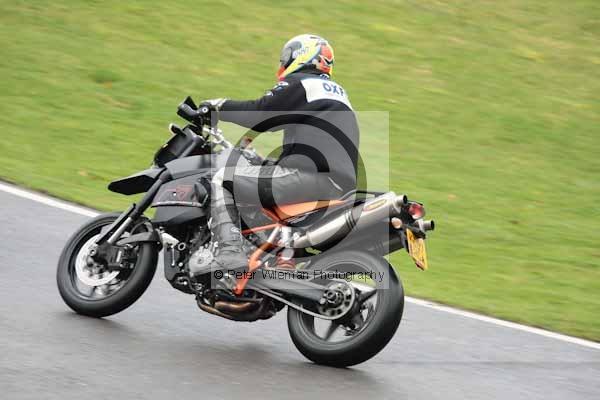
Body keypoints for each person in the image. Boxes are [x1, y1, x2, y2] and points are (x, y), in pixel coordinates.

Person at [189, 34, 360, 277]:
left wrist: (218, 107)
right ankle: (278, 258)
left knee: (223, 179)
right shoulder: (338, 95)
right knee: (265, 181)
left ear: (302, 55)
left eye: (286, 57)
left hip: (308, 177)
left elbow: (261, 113)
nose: (283, 62)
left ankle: (229, 252)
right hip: (338, 185)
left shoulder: (303, 83)